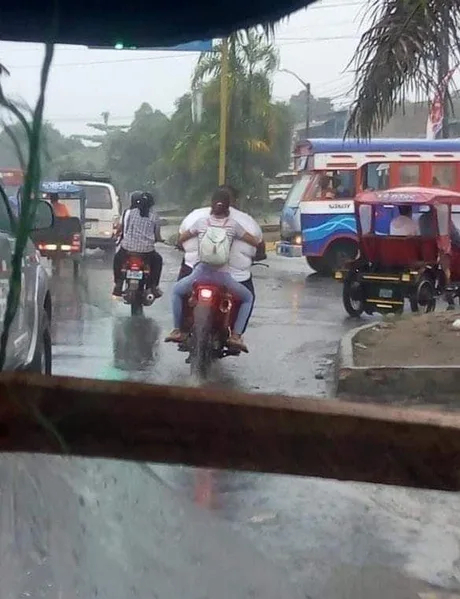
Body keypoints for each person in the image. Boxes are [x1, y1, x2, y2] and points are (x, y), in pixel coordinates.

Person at [165, 188, 260, 352]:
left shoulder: (201, 222)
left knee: (176, 291)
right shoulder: (233, 225)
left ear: (211, 204)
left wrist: (181, 244)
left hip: (200, 274)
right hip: (222, 277)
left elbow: (181, 239)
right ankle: (236, 336)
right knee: (247, 298)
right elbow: (254, 241)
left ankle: (177, 330)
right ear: (229, 207)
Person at [112, 190, 163, 298]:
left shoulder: (130, 213)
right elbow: (157, 235)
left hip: (128, 249)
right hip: (147, 251)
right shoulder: (154, 217)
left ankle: (118, 283)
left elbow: (125, 228)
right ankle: (153, 286)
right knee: (158, 261)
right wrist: (159, 239)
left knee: (117, 259)